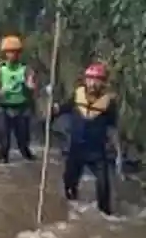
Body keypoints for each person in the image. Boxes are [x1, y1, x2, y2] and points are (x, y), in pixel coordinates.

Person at [52, 62, 121, 215]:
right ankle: (71, 208)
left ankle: (105, 216)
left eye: (97, 80)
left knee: (104, 187)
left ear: (103, 83)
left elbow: (113, 128)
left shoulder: (109, 103)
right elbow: (61, 109)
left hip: (97, 151)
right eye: (90, 79)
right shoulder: (77, 95)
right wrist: (53, 108)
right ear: (85, 80)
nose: (93, 83)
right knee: (69, 184)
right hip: (76, 148)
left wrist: (117, 153)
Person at [0, 35, 36, 163]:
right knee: (5, 144)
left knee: (23, 144)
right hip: (4, 108)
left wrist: (29, 86)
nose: (13, 54)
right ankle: (0, 162)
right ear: (5, 53)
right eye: (10, 51)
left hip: (22, 108)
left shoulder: (26, 69)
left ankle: (30, 160)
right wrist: (5, 90)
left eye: (16, 51)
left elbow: (31, 85)